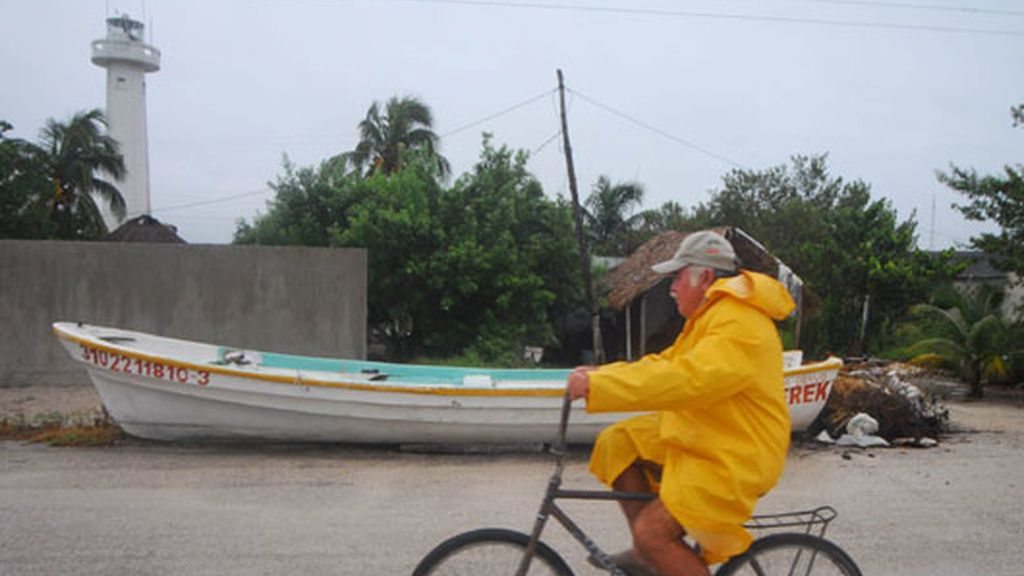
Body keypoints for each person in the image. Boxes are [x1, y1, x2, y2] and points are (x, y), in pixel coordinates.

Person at [567, 230, 795, 576]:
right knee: (619, 443)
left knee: (652, 534)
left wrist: (599, 386)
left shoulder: (738, 322)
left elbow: (687, 379)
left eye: (676, 278)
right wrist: (603, 375)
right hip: (709, 433)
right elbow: (667, 364)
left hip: (736, 452)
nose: (671, 288)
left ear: (703, 276)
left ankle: (654, 546)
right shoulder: (710, 317)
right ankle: (651, 556)